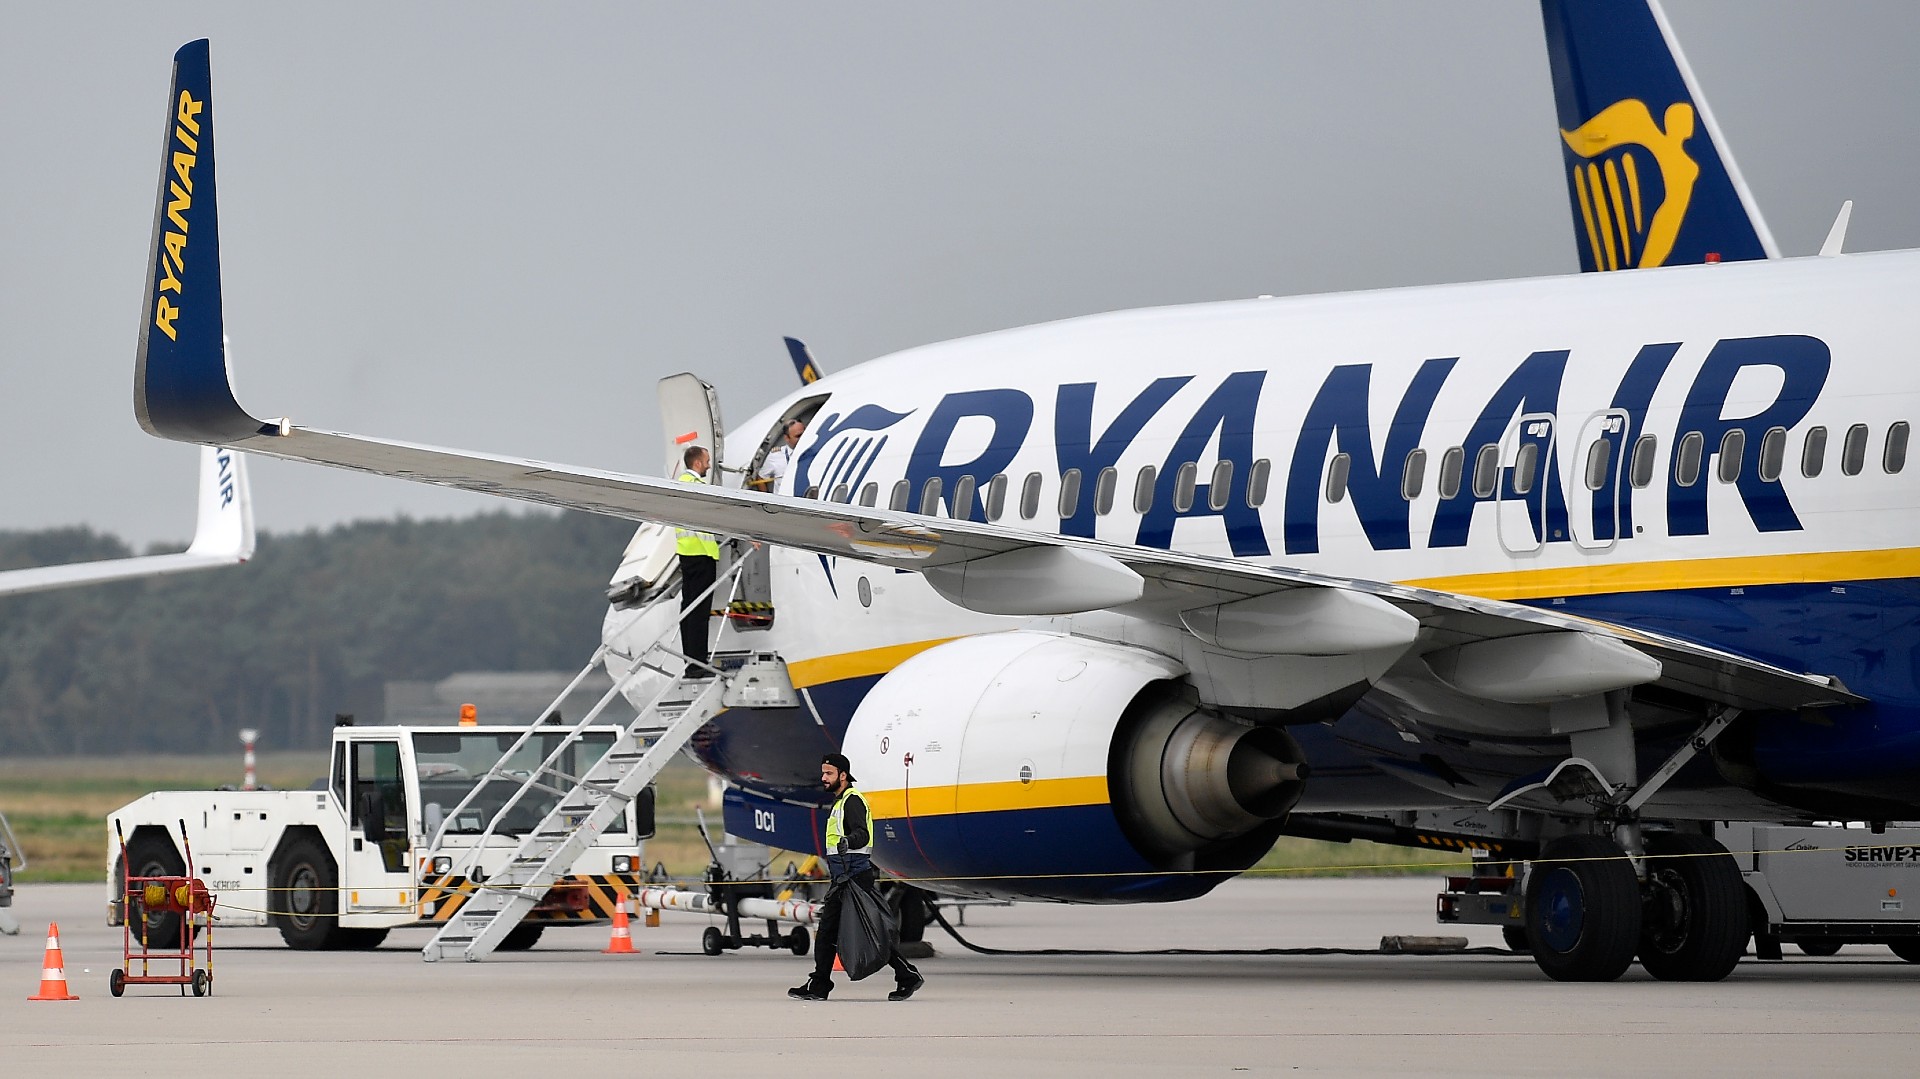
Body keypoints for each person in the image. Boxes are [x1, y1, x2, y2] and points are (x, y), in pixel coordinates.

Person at [788, 753, 924, 1002]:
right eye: (823, 773)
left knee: (862, 931)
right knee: (837, 932)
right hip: (844, 877)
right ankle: (820, 984)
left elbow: (862, 833)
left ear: (843, 775)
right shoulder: (840, 802)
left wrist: (847, 841)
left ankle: (906, 975)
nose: (823, 778)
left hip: (854, 877)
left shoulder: (852, 801)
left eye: (828, 773)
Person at [674, 446, 721, 672]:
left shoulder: (679, 485)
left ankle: (690, 661)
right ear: (698, 463)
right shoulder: (697, 487)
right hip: (702, 555)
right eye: (707, 461)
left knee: (688, 609)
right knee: (700, 613)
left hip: (686, 554)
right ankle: (698, 662)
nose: (709, 466)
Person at [754, 419, 805, 490]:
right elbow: (761, 478)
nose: (803, 438)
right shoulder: (776, 456)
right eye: (798, 436)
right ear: (787, 438)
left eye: (804, 434)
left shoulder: (814, 451)